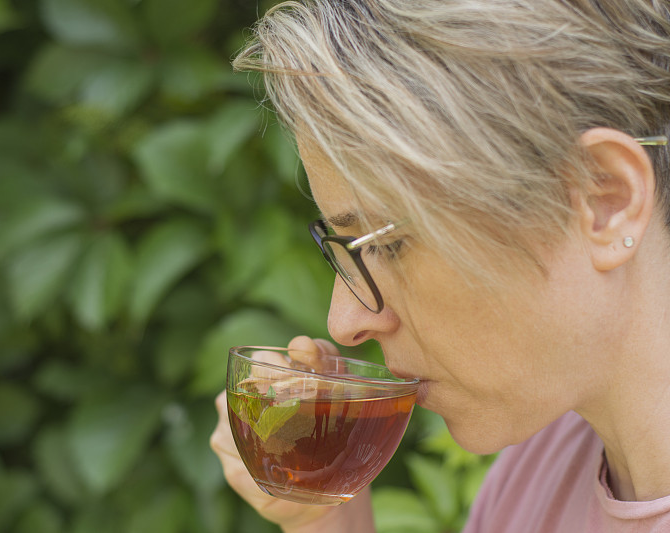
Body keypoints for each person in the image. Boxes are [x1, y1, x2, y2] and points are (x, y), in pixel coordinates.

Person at [209, 0, 670, 531]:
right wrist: (323, 520)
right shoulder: (536, 475)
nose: (345, 323)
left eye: (391, 244)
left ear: (603, 200)